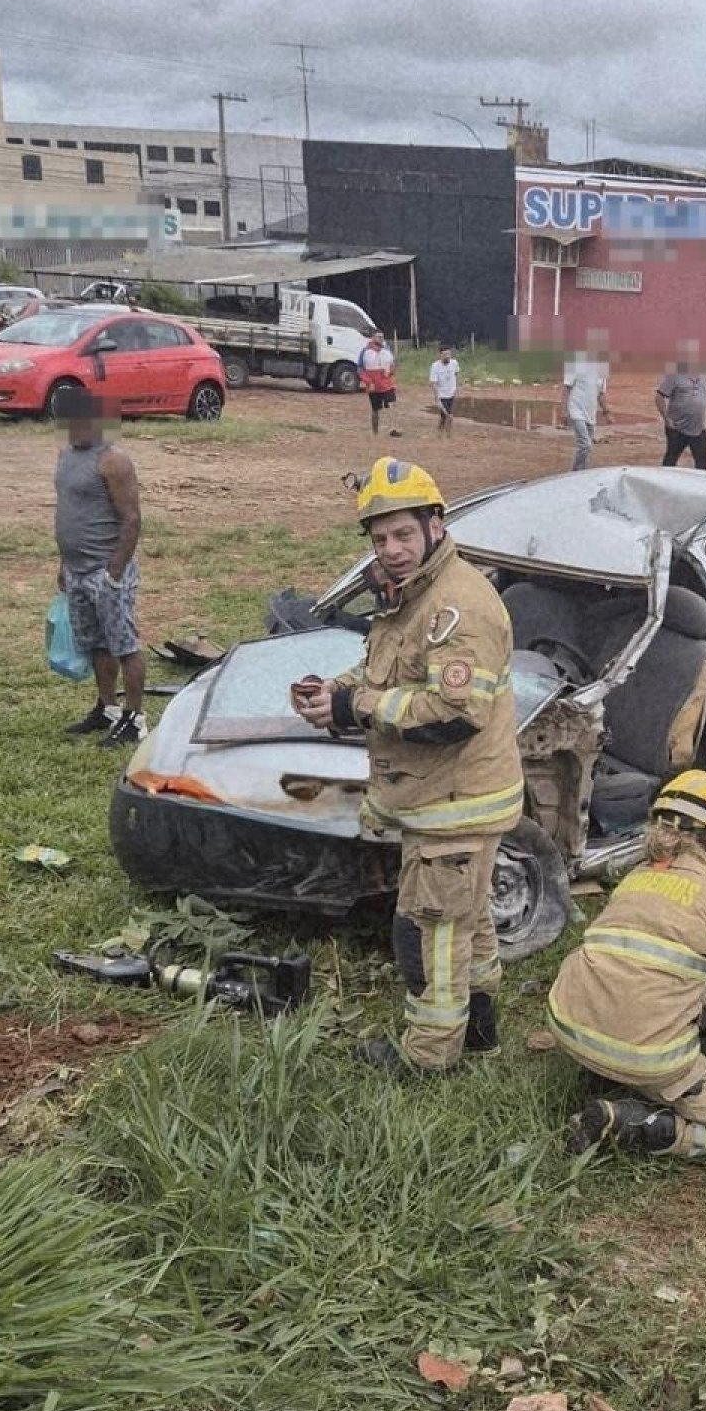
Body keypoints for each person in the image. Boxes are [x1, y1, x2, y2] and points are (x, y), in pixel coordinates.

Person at [292, 458, 523, 1071]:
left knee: (429, 932)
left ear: (435, 525)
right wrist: (336, 691)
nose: (391, 550)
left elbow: (456, 712)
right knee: (467, 921)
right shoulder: (415, 596)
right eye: (380, 538)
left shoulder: (458, 606)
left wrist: (354, 707)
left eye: (402, 534)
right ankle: (479, 1033)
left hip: (456, 803)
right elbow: (391, 671)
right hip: (444, 798)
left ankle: (428, 1056)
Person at [547, 771, 706, 1160]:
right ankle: (622, 1122)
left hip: (569, 1023)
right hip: (646, 1055)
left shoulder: (634, 878)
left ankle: (601, 1071)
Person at [51, 387, 145, 748]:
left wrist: (114, 575)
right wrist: (64, 563)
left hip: (106, 572)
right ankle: (107, 707)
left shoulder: (112, 460)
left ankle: (135, 718)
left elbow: (131, 519)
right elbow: (70, 511)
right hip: (76, 570)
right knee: (96, 643)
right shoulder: (65, 455)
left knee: (124, 645)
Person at [656, 342, 706, 469]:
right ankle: (665, 480)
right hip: (677, 427)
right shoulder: (673, 375)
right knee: (670, 461)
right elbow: (659, 397)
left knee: (702, 463)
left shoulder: (705, 376)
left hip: (699, 428)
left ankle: (700, 482)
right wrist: (667, 419)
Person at [562, 337, 610, 471]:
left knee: (587, 447)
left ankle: (581, 471)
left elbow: (601, 394)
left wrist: (607, 413)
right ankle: (575, 472)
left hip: (590, 413)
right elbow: (566, 389)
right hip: (576, 409)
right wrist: (564, 411)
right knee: (585, 445)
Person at [359, 329, 399, 437]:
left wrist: (390, 372)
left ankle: (393, 429)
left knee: (392, 404)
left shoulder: (387, 351)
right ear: (373, 338)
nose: (381, 339)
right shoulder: (365, 352)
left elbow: (393, 365)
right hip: (374, 386)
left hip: (387, 384)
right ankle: (375, 433)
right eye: (379, 337)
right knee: (375, 409)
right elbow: (360, 369)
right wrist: (368, 382)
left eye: (382, 337)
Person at [428, 342, 460, 433]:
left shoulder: (454, 363)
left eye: (449, 354)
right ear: (440, 355)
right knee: (448, 415)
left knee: (446, 415)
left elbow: (457, 375)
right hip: (442, 395)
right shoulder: (435, 366)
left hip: (452, 393)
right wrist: (437, 398)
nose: (447, 356)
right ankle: (447, 433)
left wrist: (457, 389)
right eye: (445, 354)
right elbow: (433, 383)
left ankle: (442, 431)